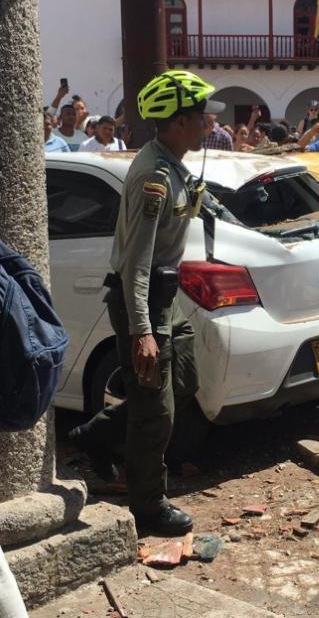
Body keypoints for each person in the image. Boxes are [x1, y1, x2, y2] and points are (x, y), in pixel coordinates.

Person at [67, 70, 221, 536]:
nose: (207, 123)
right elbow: (136, 262)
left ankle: (94, 435)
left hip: (165, 298)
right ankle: (148, 506)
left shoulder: (173, 164)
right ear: (175, 122)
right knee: (157, 412)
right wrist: (142, 332)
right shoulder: (154, 176)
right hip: (145, 299)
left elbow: (192, 208)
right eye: (199, 116)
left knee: (183, 381)